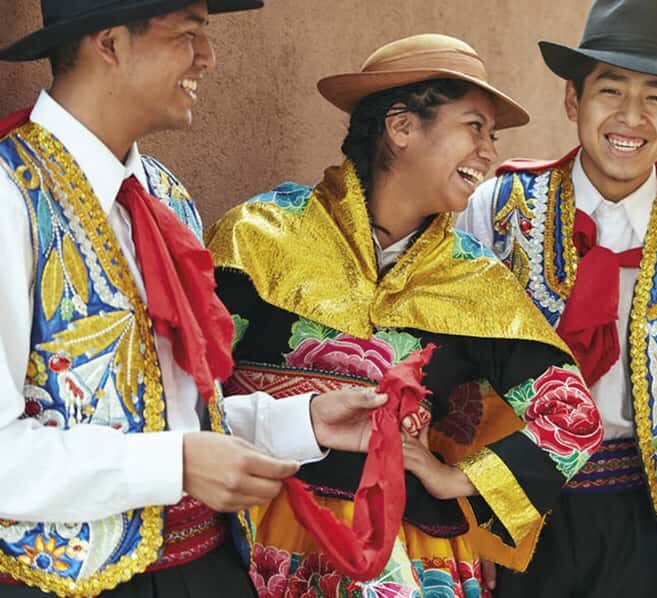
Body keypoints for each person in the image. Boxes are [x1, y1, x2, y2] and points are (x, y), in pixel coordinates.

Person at [0, 2, 390, 596]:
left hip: (204, 568)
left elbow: (174, 418)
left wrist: (302, 420)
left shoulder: (162, 195)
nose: (207, 59)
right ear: (109, 44)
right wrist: (175, 464)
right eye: (188, 35)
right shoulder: (10, 199)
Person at [205, 33, 605, 597]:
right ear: (402, 126)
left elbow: (573, 419)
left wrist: (457, 479)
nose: (489, 151)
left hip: (408, 551)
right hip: (261, 531)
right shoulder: (260, 235)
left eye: (494, 136)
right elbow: (186, 391)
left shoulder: (476, 279)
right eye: (473, 127)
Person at [457, 0, 657, 595]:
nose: (631, 117)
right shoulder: (499, 207)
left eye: (656, 99)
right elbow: (458, 353)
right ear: (573, 100)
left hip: (637, 514)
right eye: (611, 91)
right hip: (510, 498)